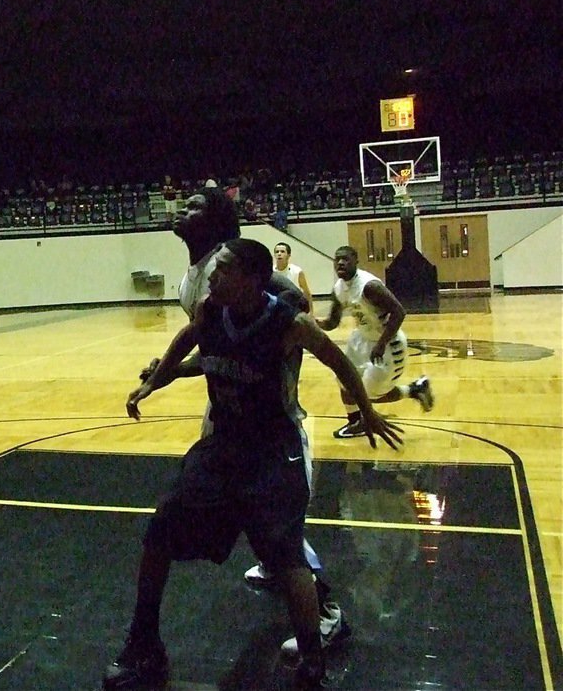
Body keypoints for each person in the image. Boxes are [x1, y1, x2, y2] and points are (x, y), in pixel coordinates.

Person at [106, 239, 403, 691]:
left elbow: (339, 360)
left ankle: (312, 665)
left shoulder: (287, 323)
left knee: (285, 554)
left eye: (223, 269)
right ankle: (144, 643)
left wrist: (368, 409)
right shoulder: (211, 311)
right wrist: (155, 381)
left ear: (251, 279)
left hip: (272, 449)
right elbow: (187, 341)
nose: (214, 277)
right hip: (224, 446)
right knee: (159, 529)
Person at [146, 187, 347, 655]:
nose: (181, 210)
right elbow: (210, 342)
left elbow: (289, 305)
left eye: (195, 206)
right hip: (224, 413)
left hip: (266, 423)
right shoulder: (193, 279)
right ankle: (282, 570)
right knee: (250, 516)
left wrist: (275, 374)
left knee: (278, 525)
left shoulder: (242, 271)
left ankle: (325, 613)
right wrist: (166, 372)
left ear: (218, 222)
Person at [318, 246, 434, 438]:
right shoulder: (339, 288)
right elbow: (332, 322)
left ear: (356, 261)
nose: (340, 263)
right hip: (361, 339)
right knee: (344, 379)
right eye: (337, 259)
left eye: (345, 259)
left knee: (368, 395)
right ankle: (355, 422)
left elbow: (399, 312)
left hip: (387, 342)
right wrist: (310, 322)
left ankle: (414, 390)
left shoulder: (369, 286)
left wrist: (380, 344)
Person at [274, 241, 313, 308]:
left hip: (294, 306)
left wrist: (311, 314)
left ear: (289, 255)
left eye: (282, 251)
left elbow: (307, 294)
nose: (279, 254)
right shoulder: (270, 271)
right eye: (277, 252)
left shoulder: (297, 271)